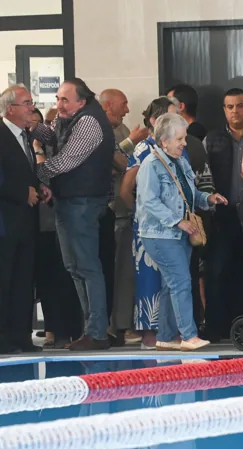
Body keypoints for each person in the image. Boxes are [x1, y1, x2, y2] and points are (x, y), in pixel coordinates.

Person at [32, 78, 116, 350]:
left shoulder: (90, 122)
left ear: (82, 101)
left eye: (64, 100)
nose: (58, 105)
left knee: (88, 268)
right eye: (57, 99)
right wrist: (31, 125)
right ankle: (91, 329)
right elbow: (51, 135)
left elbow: (67, 160)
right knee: (75, 268)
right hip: (69, 202)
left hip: (83, 203)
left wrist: (34, 177)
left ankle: (97, 331)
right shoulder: (70, 117)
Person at [135, 113, 227, 351]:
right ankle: (188, 335)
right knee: (181, 282)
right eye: (179, 139)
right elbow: (149, 202)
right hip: (159, 234)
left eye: (184, 138)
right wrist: (177, 221)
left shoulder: (181, 162)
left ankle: (165, 336)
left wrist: (208, 198)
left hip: (178, 233)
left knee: (171, 284)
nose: (184, 143)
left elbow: (191, 195)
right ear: (163, 141)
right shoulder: (150, 165)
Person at [120, 97, 183, 349]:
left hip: (174, 225)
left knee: (171, 280)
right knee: (149, 278)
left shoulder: (177, 146)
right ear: (156, 121)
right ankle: (149, 331)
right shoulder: (144, 148)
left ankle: (169, 330)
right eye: (171, 117)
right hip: (150, 227)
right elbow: (126, 190)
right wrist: (141, 214)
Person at [202, 88, 243, 341]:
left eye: (239, 106)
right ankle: (216, 328)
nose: (235, 111)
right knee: (218, 270)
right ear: (224, 110)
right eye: (229, 107)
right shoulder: (211, 139)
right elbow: (203, 177)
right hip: (222, 217)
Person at [0, 85, 49, 353]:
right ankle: (4, 337)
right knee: (5, 280)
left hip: (25, 223)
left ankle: (21, 336)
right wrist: (22, 192)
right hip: (5, 222)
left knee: (23, 281)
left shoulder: (25, 136)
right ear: (10, 109)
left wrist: (38, 186)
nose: (32, 107)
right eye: (26, 103)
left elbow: (24, 172)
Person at [100, 88, 146, 344]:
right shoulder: (99, 130)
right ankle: (117, 326)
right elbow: (120, 161)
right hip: (114, 211)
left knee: (125, 272)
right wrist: (135, 142)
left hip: (124, 212)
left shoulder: (121, 128)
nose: (128, 109)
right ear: (108, 105)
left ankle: (121, 324)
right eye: (123, 104)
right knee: (118, 272)